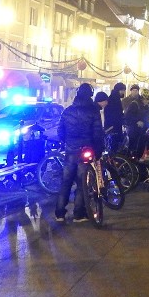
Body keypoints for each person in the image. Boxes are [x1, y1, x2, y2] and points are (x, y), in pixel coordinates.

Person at [55, 82, 104, 223]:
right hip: (86, 150)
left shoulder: (68, 110)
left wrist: (67, 142)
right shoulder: (93, 112)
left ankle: (59, 214)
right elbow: (97, 133)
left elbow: (60, 131)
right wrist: (98, 150)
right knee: (83, 183)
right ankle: (78, 214)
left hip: (70, 150)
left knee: (65, 182)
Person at [103, 82, 126, 153]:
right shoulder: (115, 99)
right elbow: (116, 113)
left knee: (113, 144)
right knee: (113, 145)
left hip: (113, 125)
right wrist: (122, 120)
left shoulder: (114, 98)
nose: (124, 92)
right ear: (119, 90)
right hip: (113, 126)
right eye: (123, 90)